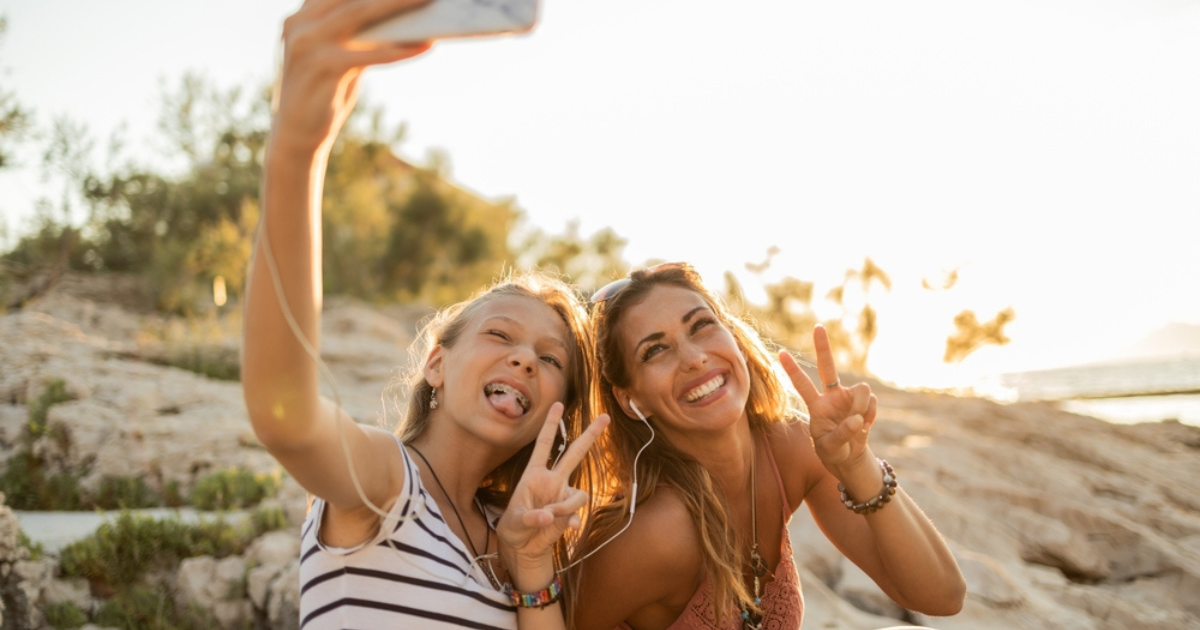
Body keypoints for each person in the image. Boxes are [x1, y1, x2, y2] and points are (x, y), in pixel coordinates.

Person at [241, 1, 609, 628]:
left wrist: (530, 568)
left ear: (558, 410)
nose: (525, 358)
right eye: (501, 335)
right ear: (436, 362)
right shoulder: (390, 483)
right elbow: (288, 419)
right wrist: (299, 150)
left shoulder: (516, 535)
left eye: (550, 360)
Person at [570, 263, 966, 629]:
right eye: (655, 350)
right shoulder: (656, 533)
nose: (694, 358)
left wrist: (858, 464)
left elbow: (942, 596)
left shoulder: (787, 448)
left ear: (737, 341)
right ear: (632, 401)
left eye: (701, 325)